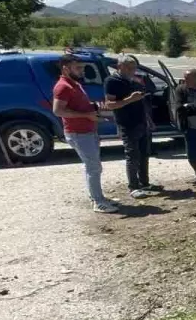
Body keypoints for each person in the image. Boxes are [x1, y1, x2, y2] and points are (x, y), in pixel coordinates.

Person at [53, 54, 117, 213]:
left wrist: (94, 108)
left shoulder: (75, 84)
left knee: (94, 166)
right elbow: (58, 110)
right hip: (78, 133)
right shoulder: (63, 87)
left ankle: (98, 196)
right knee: (93, 167)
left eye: (82, 67)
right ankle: (98, 202)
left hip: (88, 131)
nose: (82, 71)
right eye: (78, 68)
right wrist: (86, 116)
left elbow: (79, 105)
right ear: (65, 68)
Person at [103, 54, 158, 199]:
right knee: (132, 155)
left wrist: (148, 120)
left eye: (134, 68)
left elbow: (141, 102)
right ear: (120, 66)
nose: (132, 70)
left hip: (141, 121)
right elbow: (109, 104)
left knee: (144, 154)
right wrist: (129, 99)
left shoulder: (134, 80)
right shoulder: (112, 81)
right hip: (127, 123)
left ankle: (144, 182)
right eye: (129, 68)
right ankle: (133, 186)